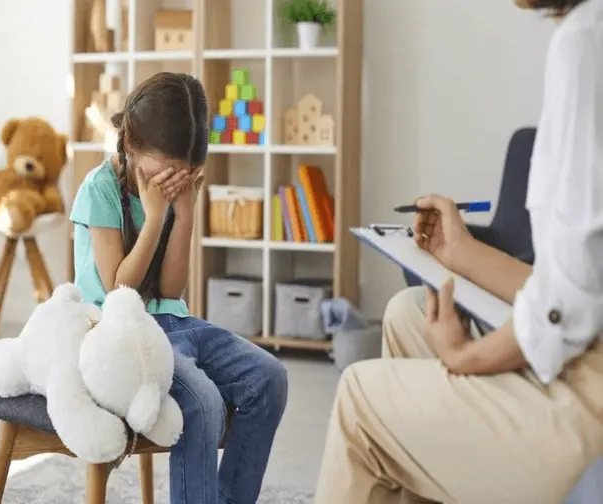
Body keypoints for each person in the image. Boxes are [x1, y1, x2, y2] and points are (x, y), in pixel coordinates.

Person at [314, 0, 603, 503]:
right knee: (407, 312)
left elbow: (567, 309)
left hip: (582, 393)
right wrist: (461, 252)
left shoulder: (586, 41)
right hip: (584, 349)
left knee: (359, 396)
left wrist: (466, 356)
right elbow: (577, 283)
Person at [70, 72, 288, 504]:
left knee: (269, 378)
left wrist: (183, 215)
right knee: (203, 402)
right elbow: (119, 293)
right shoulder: (100, 189)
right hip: (118, 333)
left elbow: (170, 289)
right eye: (163, 171)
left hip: (172, 323)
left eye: (183, 174)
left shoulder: (170, 191)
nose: (170, 181)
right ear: (130, 144)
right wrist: (154, 218)